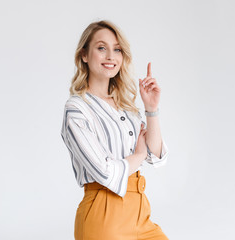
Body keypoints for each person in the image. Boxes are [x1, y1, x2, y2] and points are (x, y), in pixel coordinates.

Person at [60, 19, 169, 240]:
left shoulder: (125, 106)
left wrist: (151, 110)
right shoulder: (77, 109)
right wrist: (138, 154)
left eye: (117, 49)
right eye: (102, 48)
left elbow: (156, 156)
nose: (111, 56)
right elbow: (106, 172)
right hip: (104, 214)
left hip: (140, 212)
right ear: (84, 55)